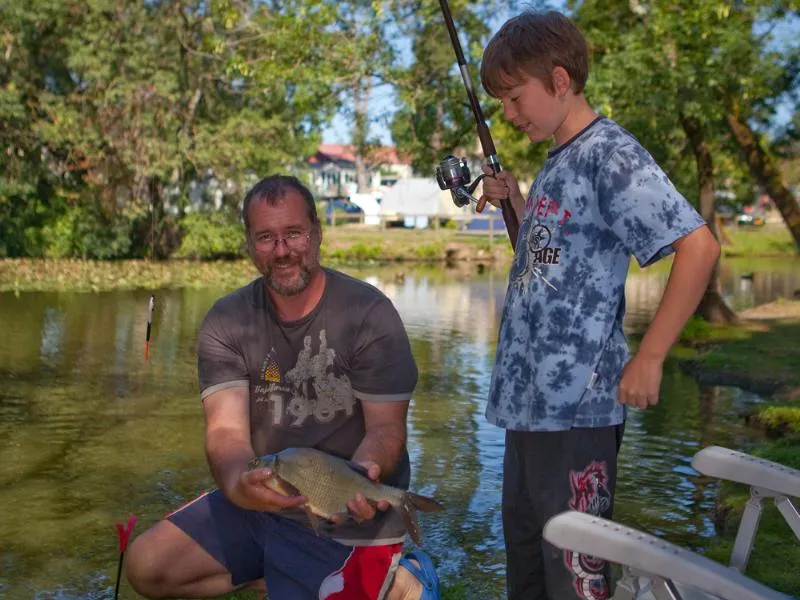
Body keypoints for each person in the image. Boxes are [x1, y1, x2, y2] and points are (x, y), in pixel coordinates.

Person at [475, 11, 721, 600]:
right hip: (527, 406)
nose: (508, 113)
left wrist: (652, 355)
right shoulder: (558, 159)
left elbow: (699, 245)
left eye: (514, 97)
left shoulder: (609, 153)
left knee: (575, 578)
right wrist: (516, 202)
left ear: (559, 80)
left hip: (579, 409)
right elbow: (550, 265)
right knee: (529, 570)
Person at [124, 175, 440, 600]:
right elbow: (225, 433)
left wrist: (365, 475)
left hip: (350, 518)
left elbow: (386, 431)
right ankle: (284, 573)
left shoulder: (370, 313)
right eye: (266, 237)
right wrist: (239, 483)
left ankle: (404, 577)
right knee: (146, 564)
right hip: (266, 498)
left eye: (294, 233)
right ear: (249, 243)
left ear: (317, 233)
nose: (282, 250)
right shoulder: (227, 320)